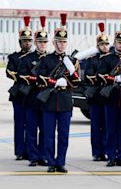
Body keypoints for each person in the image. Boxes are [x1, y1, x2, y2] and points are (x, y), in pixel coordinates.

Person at [37, 13, 81, 173]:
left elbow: (76, 83)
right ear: (54, 42)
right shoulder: (46, 60)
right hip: (49, 100)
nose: (62, 45)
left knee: (63, 135)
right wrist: (54, 82)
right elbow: (39, 79)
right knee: (48, 135)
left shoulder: (72, 61)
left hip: (65, 101)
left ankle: (60, 162)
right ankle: (51, 162)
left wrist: (71, 72)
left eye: (64, 42)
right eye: (59, 42)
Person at [97, 19, 121, 167]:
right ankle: (111, 156)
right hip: (111, 97)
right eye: (119, 42)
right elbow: (101, 75)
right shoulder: (107, 59)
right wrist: (114, 78)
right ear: (115, 43)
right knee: (111, 128)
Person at [18, 16, 48, 166]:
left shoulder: (50, 59)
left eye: (45, 42)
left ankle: (43, 155)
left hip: (45, 99)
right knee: (31, 129)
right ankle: (33, 156)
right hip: (31, 97)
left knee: (44, 129)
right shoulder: (27, 58)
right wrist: (36, 79)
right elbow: (21, 76)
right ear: (35, 43)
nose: (43, 45)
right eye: (40, 42)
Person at [6, 16, 32, 161]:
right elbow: (10, 72)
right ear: (20, 42)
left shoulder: (37, 57)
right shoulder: (14, 57)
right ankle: (19, 151)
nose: (27, 43)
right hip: (19, 94)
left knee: (31, 124)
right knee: (20, 124)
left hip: (31, 94)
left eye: (29, 41)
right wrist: (24, 77)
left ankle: (30, 150)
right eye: (24, 41)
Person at [85, 23, 110, 162]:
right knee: (96, 126)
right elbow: (88, 76)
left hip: (107, 97)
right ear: (98, 46)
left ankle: (106, 150)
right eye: (102, 44)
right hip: (96, 97)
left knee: (107, 126)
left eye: (106, 44)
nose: (105, 47)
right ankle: (96, 152)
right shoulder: (92, 60)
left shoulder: (112, 59)